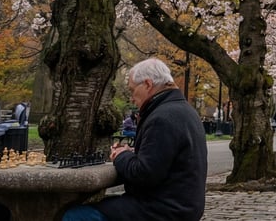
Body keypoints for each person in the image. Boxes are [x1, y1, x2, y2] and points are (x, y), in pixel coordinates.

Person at [62, 57, 208, 221]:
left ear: (147, 84)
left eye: (132, 90)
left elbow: (143, 174)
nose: (131, 98)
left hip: (164, 210)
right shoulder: (184, 111)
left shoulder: (162, 117)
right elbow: (162, 159)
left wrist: (121, 155)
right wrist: (135, 152)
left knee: (76, 216)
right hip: (182, 206)